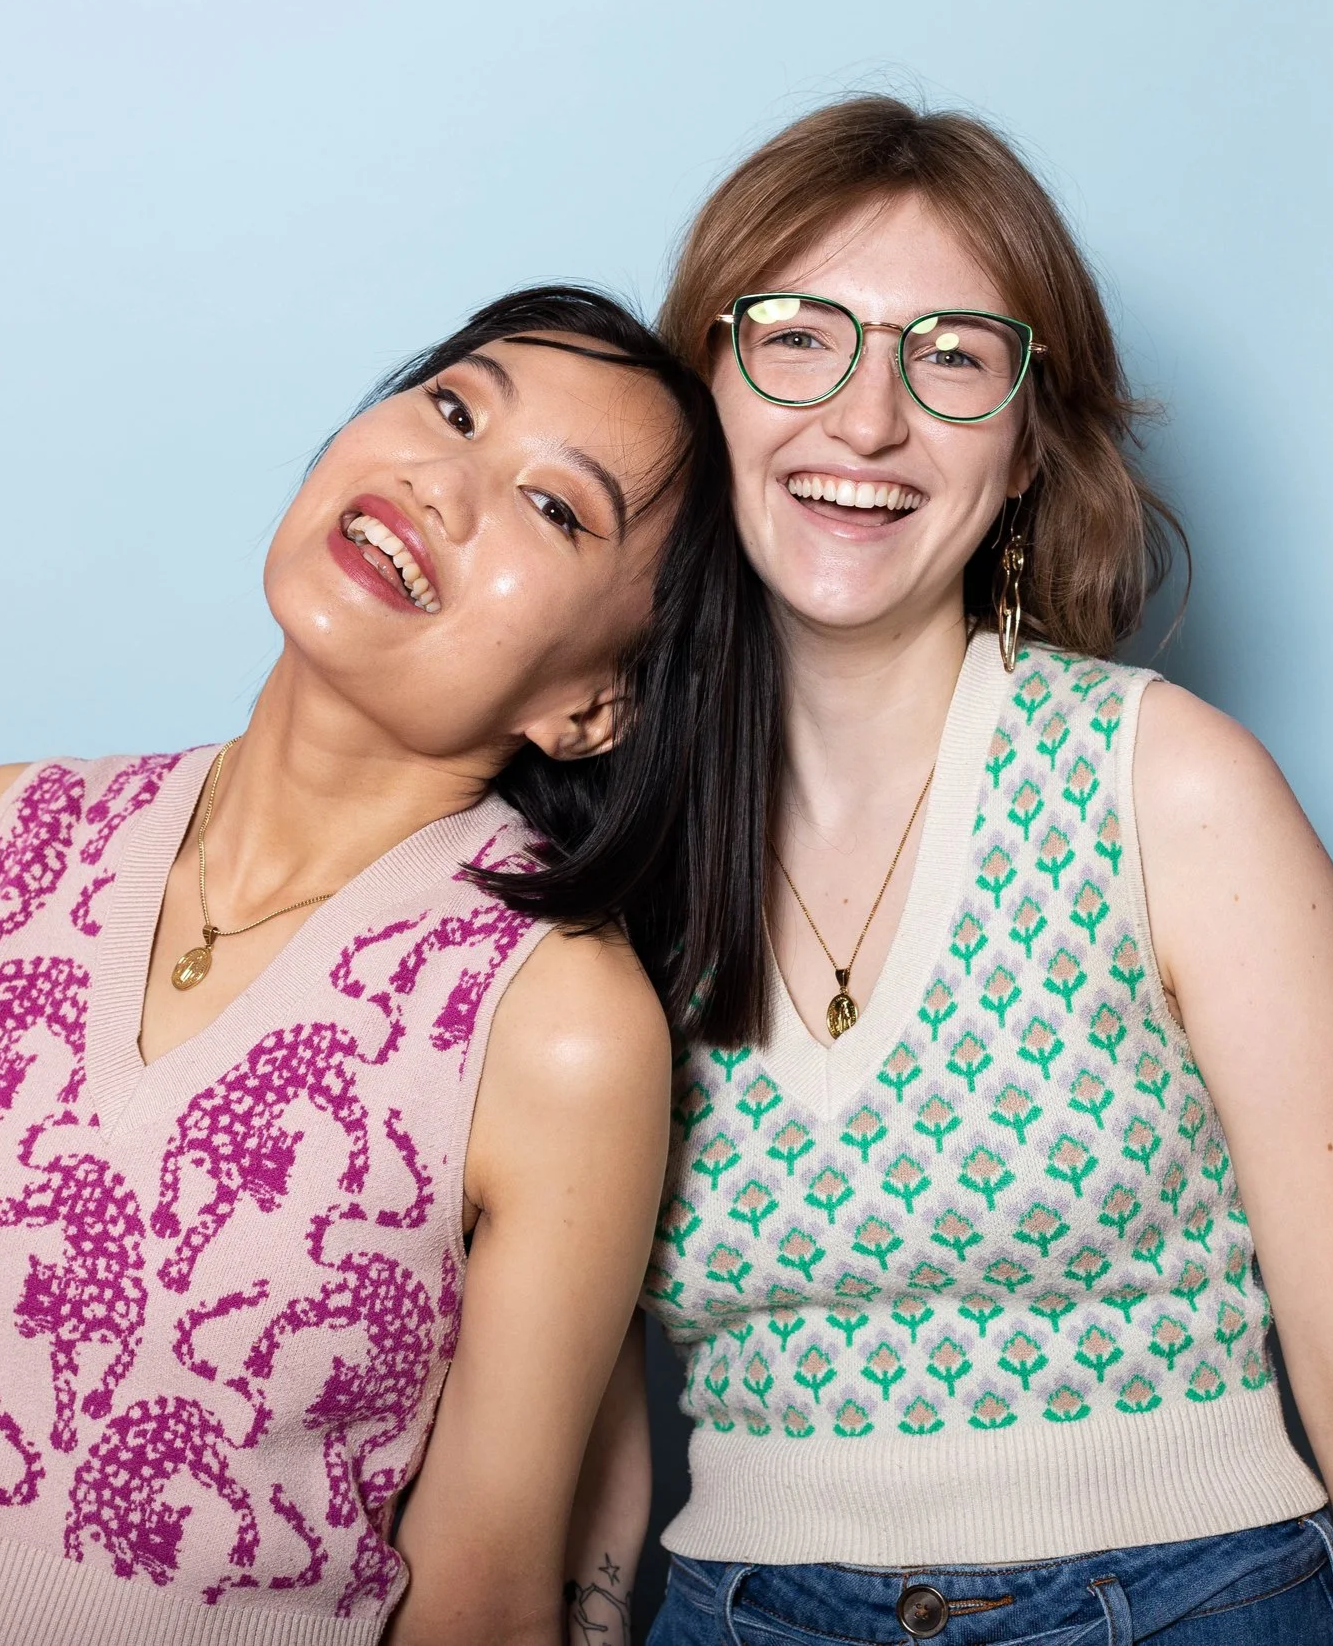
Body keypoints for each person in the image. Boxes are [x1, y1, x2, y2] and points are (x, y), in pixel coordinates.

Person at [614, 99, 1333, 1641]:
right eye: (798, 336)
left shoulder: (1168, 782)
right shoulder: (618, 837)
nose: (867, 421)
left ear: (1022, 449)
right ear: (705, 399)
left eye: (951, 356)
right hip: (734, 1611)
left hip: (1189, 1598)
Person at [0, 285, 769, 1645]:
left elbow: (483, 1607)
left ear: (597, 702)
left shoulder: (556, 1024)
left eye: (554, 507)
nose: (445, 479)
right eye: (455, 405)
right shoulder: (20, 827)